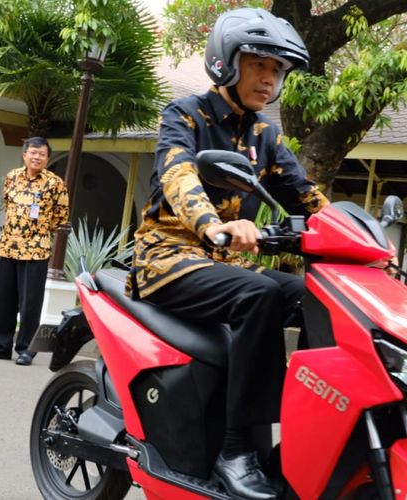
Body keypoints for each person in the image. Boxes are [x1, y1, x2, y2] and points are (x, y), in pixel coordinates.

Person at [127, 8, 329, 499]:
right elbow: (179, 178)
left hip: (222, 264)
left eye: (277, 70)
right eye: (259, 64)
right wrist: (214, 226)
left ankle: (307, 434)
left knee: (316, 295)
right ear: (226, 62)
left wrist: (362, 244)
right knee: (258, 295)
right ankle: (236, 450)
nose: (268, 78)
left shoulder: (266, 137)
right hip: (167, 255)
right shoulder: (184, 115)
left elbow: (307, 198)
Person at [0, 137, 68, 366]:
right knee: (4, 300)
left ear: (47, 158)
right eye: (33, 153)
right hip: (7, 247)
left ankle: (26, 349)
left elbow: (61, 217)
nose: (36, 157)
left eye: (42, 154)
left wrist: (37, 232)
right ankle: (1, 346)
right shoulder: (12, 177)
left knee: (30, 303)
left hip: (35, 251)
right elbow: (8, 204)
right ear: (24, 155)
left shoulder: (55, 183)